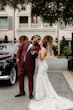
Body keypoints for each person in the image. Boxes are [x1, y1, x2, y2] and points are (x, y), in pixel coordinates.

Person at [29, 40, 73, 110]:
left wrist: (40, 53)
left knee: (39, 79)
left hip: (43, 66)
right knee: (43, 80)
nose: (39, 41)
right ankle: (41, 95)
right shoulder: (41, 49)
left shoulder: (43, 49)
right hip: (42, 66)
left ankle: (41, 96)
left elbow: (42, 58)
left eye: (40, 41)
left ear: (42, 43)